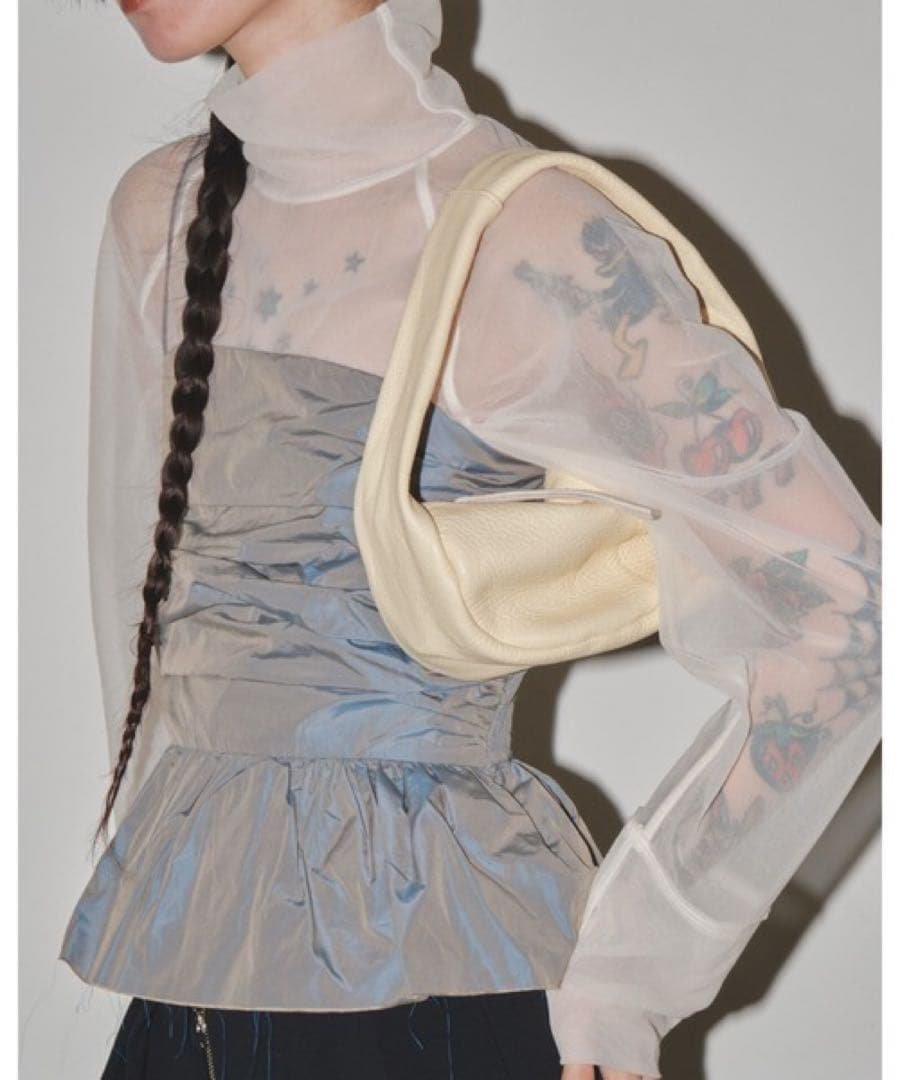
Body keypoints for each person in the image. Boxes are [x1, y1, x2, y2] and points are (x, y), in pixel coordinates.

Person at [57, 1, 882, 1078]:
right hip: (191, 972)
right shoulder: (157, 211)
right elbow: (146, 623)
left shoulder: (525, 232)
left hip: (432, 985)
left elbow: (846, 612)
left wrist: (635, 973)